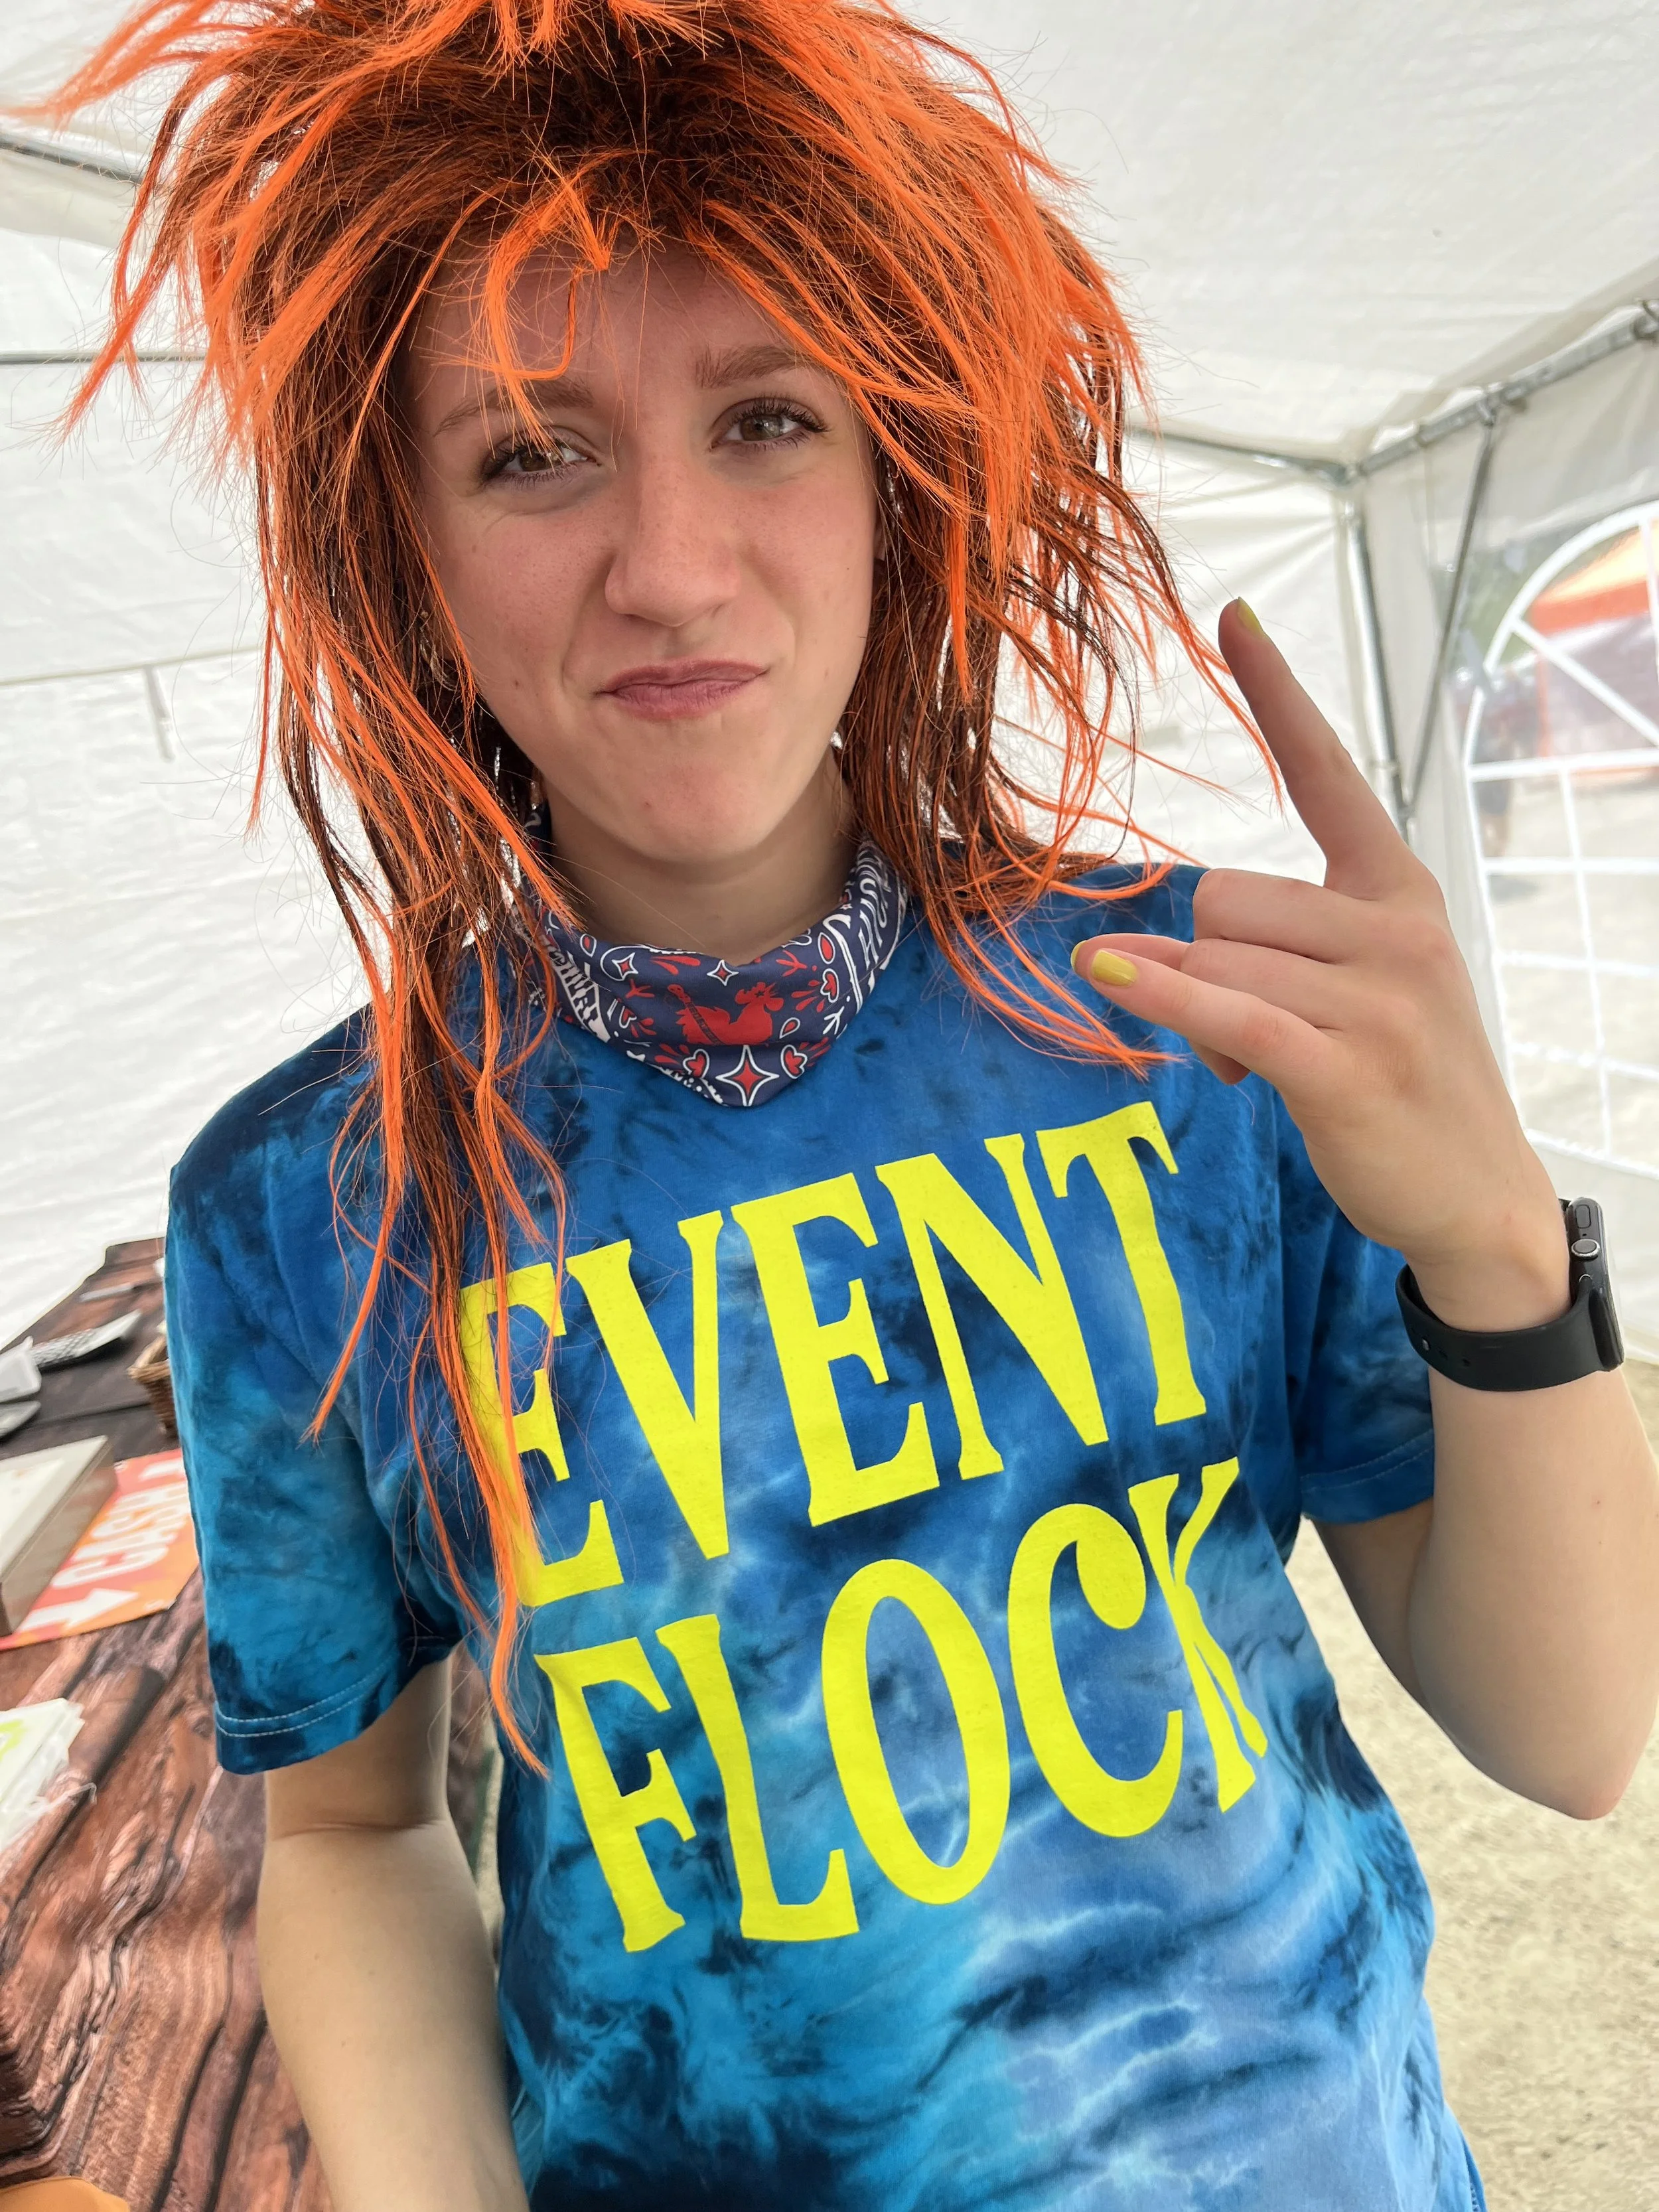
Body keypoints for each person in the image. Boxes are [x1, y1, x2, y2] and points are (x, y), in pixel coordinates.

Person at [58, 3, 1658, 2207]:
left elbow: (1567, 1736)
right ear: (402, 544)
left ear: (904, 477)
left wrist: (1496, 1256)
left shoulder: (1200, 1023)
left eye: (766, 419)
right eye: (533, 448)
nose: (674, 566)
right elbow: (353, 1821)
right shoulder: (301, 1211)